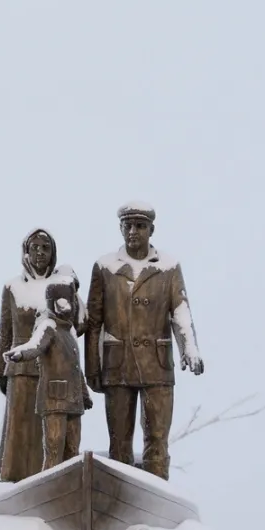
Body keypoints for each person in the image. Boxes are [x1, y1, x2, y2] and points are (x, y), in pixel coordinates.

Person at [83, 201, 203, 479]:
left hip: (157, 366)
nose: (133, 231)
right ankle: (121, 502)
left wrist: (190, 349)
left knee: (157, 441)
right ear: (121, 229)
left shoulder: (169, 267)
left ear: (151, 229)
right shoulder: (105, 267)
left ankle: (155, 500)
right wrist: (92, 367)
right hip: (117, 366)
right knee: (119, 444)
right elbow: (94, 323)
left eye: (140, 226)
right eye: (128, 226)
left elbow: (181, 312)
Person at [0, 229, 76, 482]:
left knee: (49, 435)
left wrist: (74, 283)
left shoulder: (61, 286)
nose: (40, 252)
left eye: (45, 247)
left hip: (52, 370)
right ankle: (17, 483)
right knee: (20, 433)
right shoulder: (13, 287)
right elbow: (4, 332)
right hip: (19, 372)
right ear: (26, 251)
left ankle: (48, 483)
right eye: (35, 247)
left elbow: (78, 323)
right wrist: (1, 370)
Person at [4, 278, 92, 469]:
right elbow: (35, 346)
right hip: (54, 399)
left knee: (72, 451)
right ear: (52, 302)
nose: (65, 305)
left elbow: (75, 369)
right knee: (54, 448)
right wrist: (21, 353)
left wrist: (84, 395)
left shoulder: (69, 332)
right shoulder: (48, 326)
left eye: (68, 300)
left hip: (74, 402)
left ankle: (70, 489)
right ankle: (50, 489)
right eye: (60, 300)